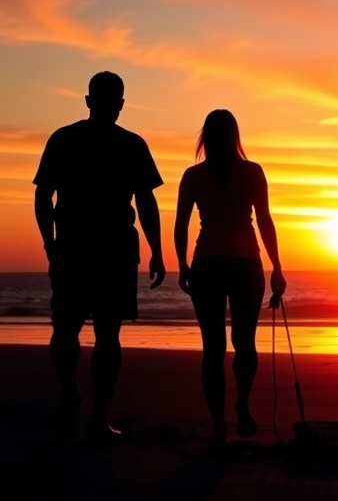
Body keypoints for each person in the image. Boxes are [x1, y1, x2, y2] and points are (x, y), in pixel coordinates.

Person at [33, 71, 166, 443]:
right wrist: (156, 251)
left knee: (71, 329)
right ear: (116, 105)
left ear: (90, 100)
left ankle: (81, 402)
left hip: (88, 249)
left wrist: (50, 243)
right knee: (100, 333)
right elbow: (146, 201)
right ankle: (92, 411)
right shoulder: (124, 143)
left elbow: (44, 196)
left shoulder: (67, 139)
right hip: (104, 249)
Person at [174, 109, 286, 447]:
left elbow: (181, 225)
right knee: (242, 342)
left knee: (215, 347)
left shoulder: (195, 175)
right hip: (241, 264)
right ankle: (237, 406)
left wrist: (183, 265)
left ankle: (221, 423)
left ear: (205, 137)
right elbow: (264, 220)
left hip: (211, 263)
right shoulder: (250, 172)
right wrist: (277, 266)